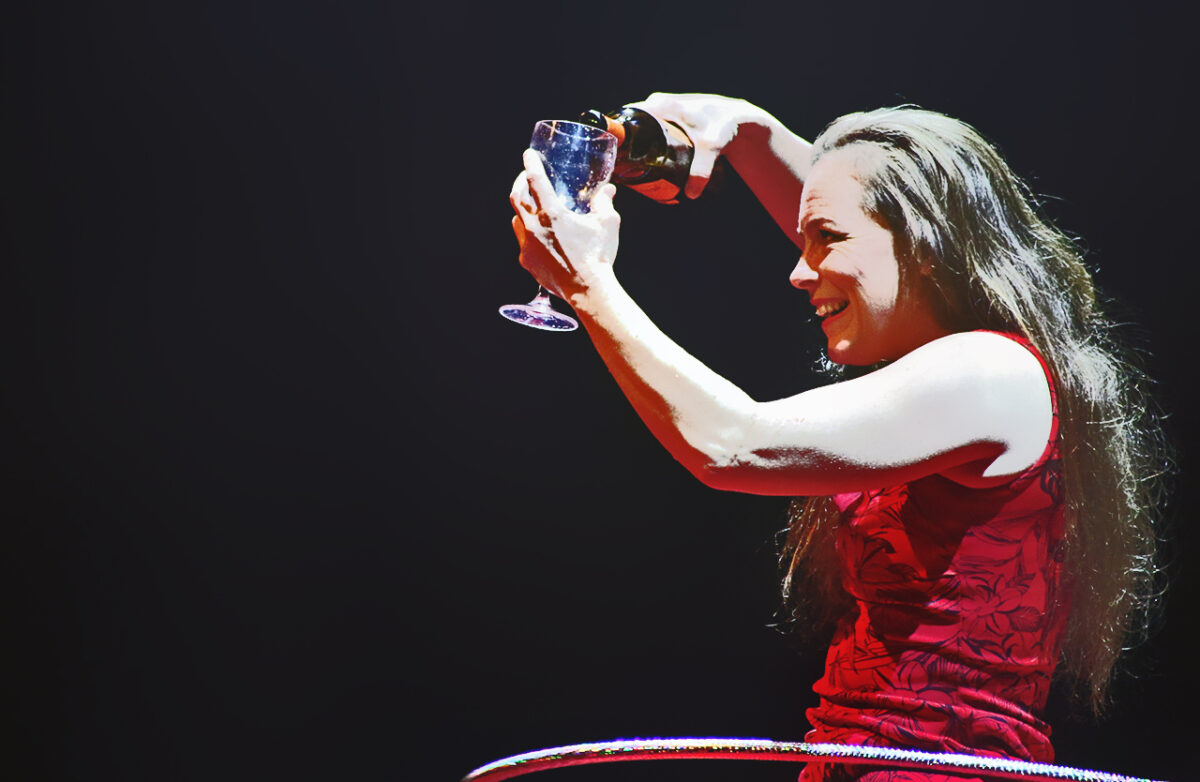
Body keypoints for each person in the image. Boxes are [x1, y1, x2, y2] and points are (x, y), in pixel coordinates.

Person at [508, 94, 1165, 782]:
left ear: (927, 245)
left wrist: (588, 283)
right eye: (804, 240)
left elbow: (732, 445)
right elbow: (867, 216)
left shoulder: (992, 371)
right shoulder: (953, 353)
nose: (799, 270)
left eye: (823, 239)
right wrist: (748, 132)